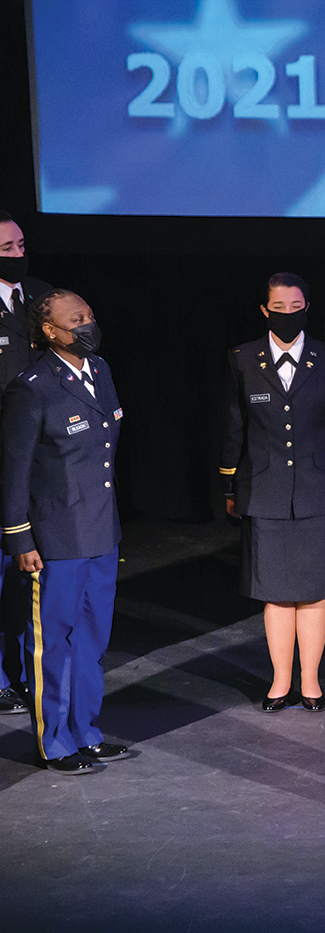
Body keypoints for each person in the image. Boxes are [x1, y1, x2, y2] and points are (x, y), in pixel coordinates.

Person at [221, 273, 325, 712]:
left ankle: (311, 681)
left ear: (307, 308)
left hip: (320, 488)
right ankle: (280, 682)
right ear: (265, 310)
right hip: (264, 489)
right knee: (277, 591)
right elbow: (233, 426)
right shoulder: (243, 359)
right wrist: (229, 483)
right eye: (278, 308)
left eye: (295, 307)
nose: (287, 315)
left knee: (316, 589)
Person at [1, 289, 128, 774]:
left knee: (93, 641)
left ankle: (86, 732)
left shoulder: (100, 371)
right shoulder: (32, 388)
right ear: (51, 331)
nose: (88, 325)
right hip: (55, 539)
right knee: (54, 641)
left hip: (100, 531)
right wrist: (20, 538)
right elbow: (13, 471)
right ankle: (55, 741)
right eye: (77, 320)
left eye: (90, 315)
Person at [0, 210, 47, 716]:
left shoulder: (39, 296)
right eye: (5, 248)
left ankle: (36, 671)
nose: (16, 254)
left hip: (41, 459)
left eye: (19, 245)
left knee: (35, 570)